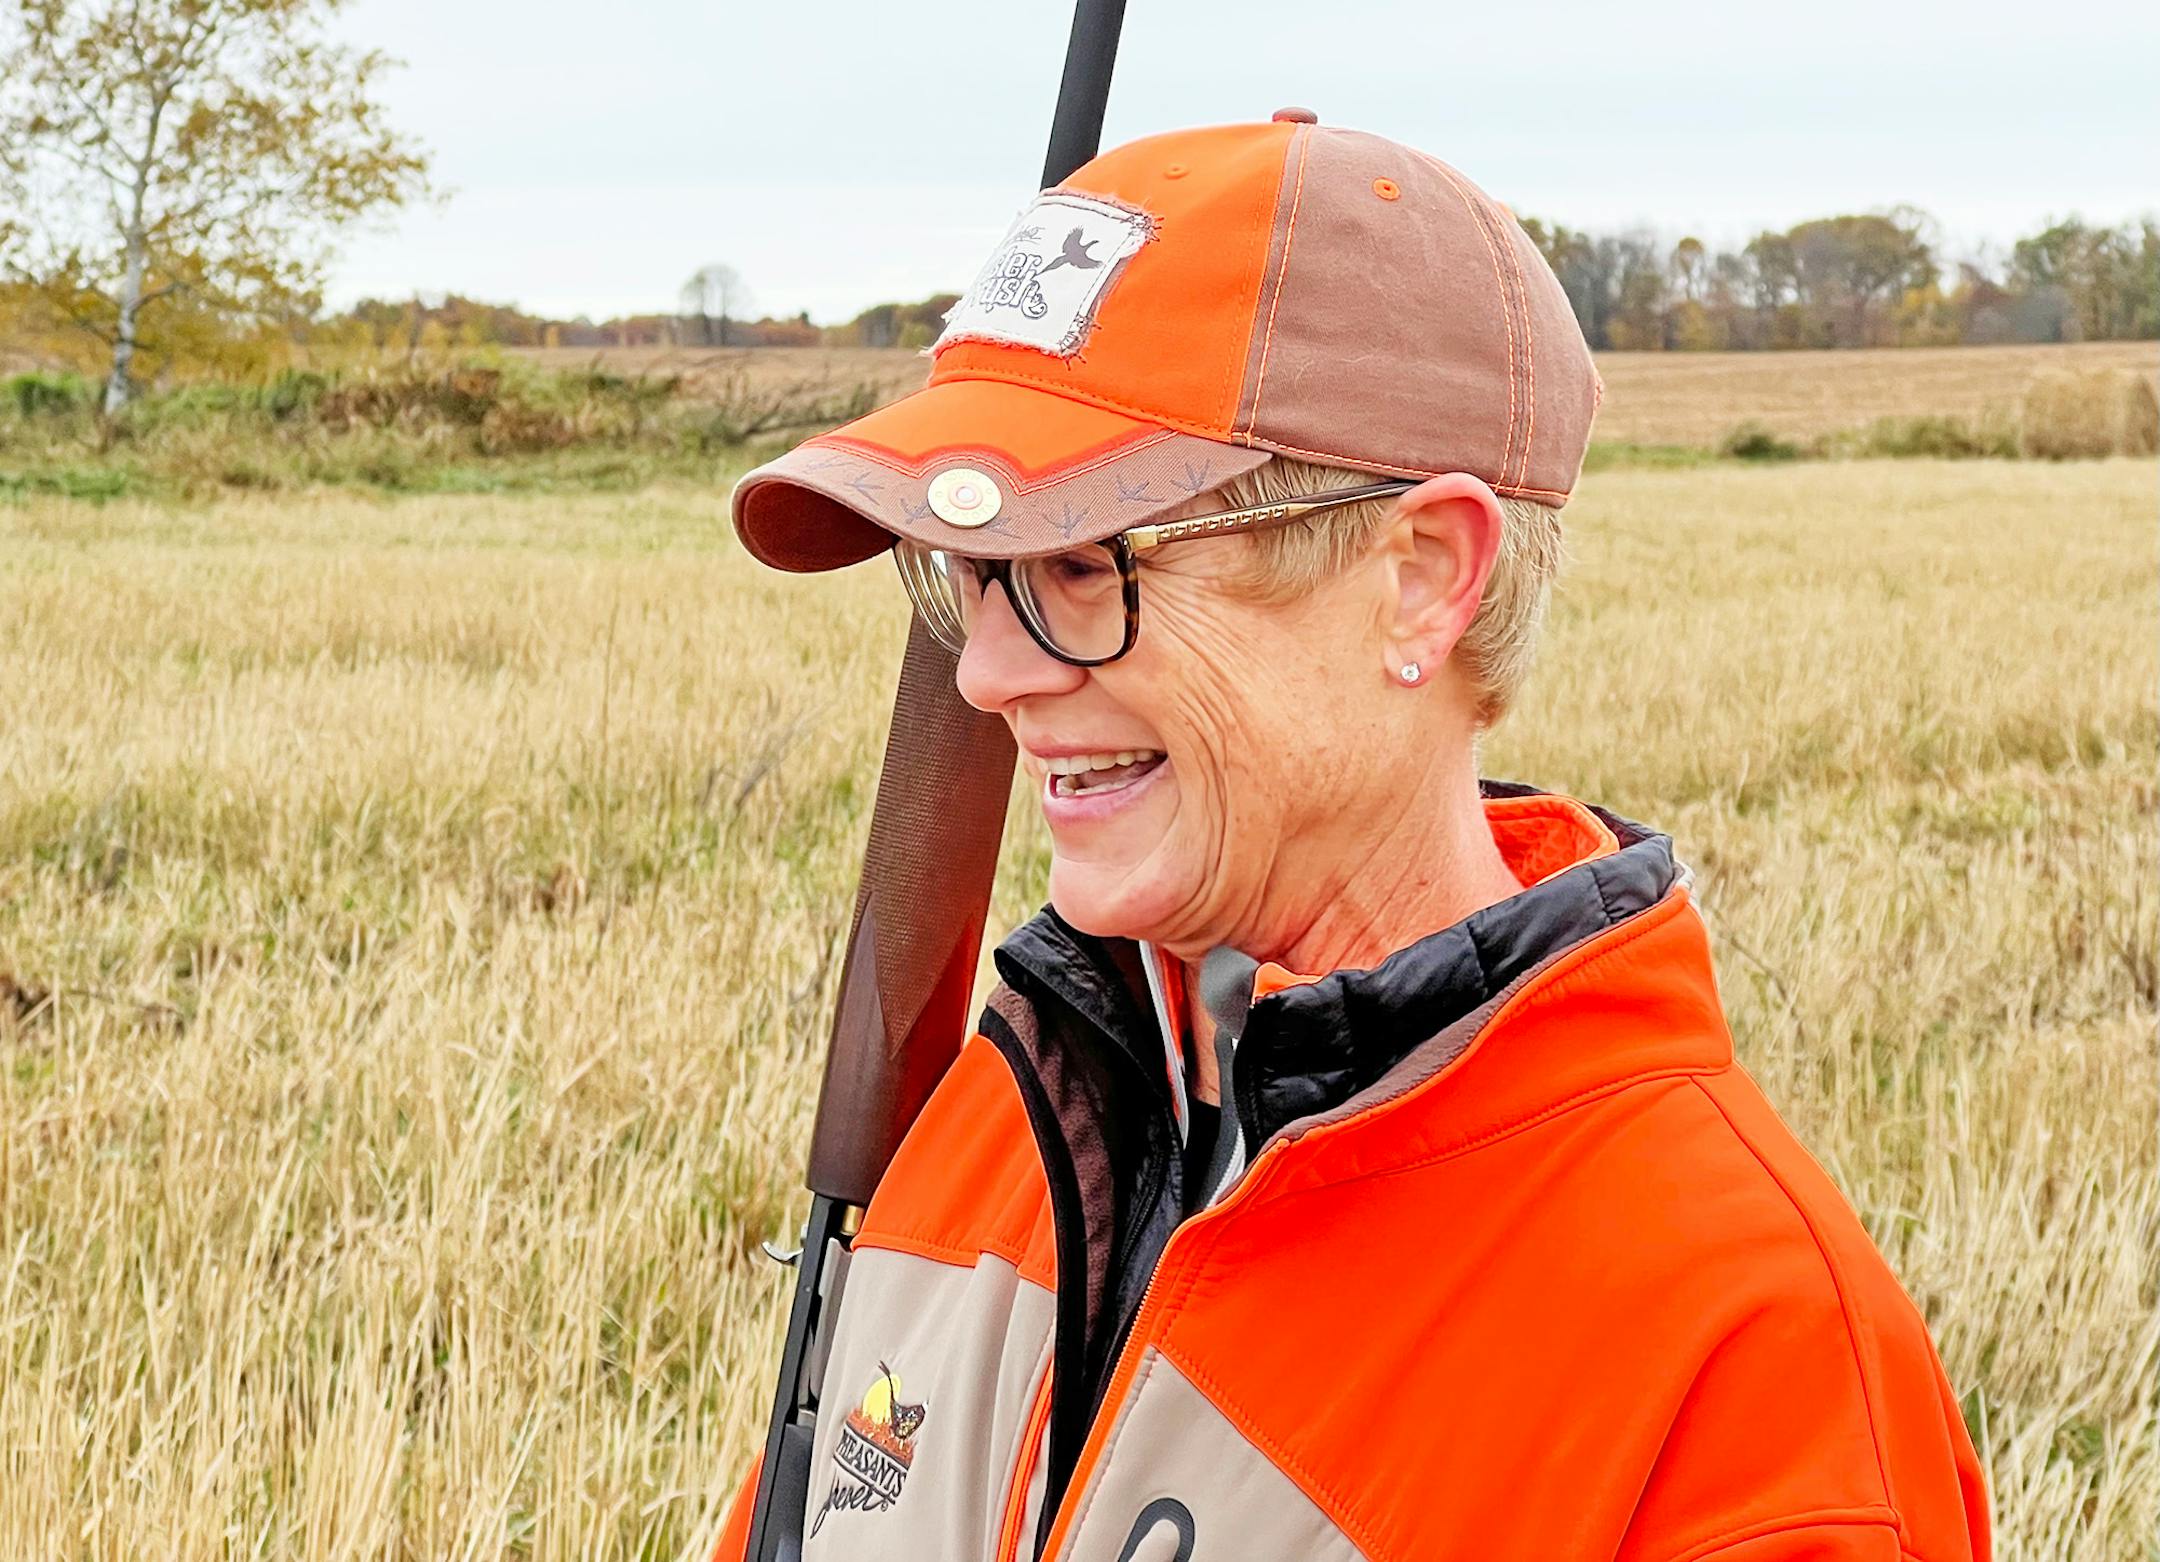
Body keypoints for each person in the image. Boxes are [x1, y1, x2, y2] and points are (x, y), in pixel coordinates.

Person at [712, 112, 1990, 1561]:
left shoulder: (1748, 1369)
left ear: (1422, 580)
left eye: (1081, 564)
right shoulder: (996, 1117)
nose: (989, 673)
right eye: (973, 575)